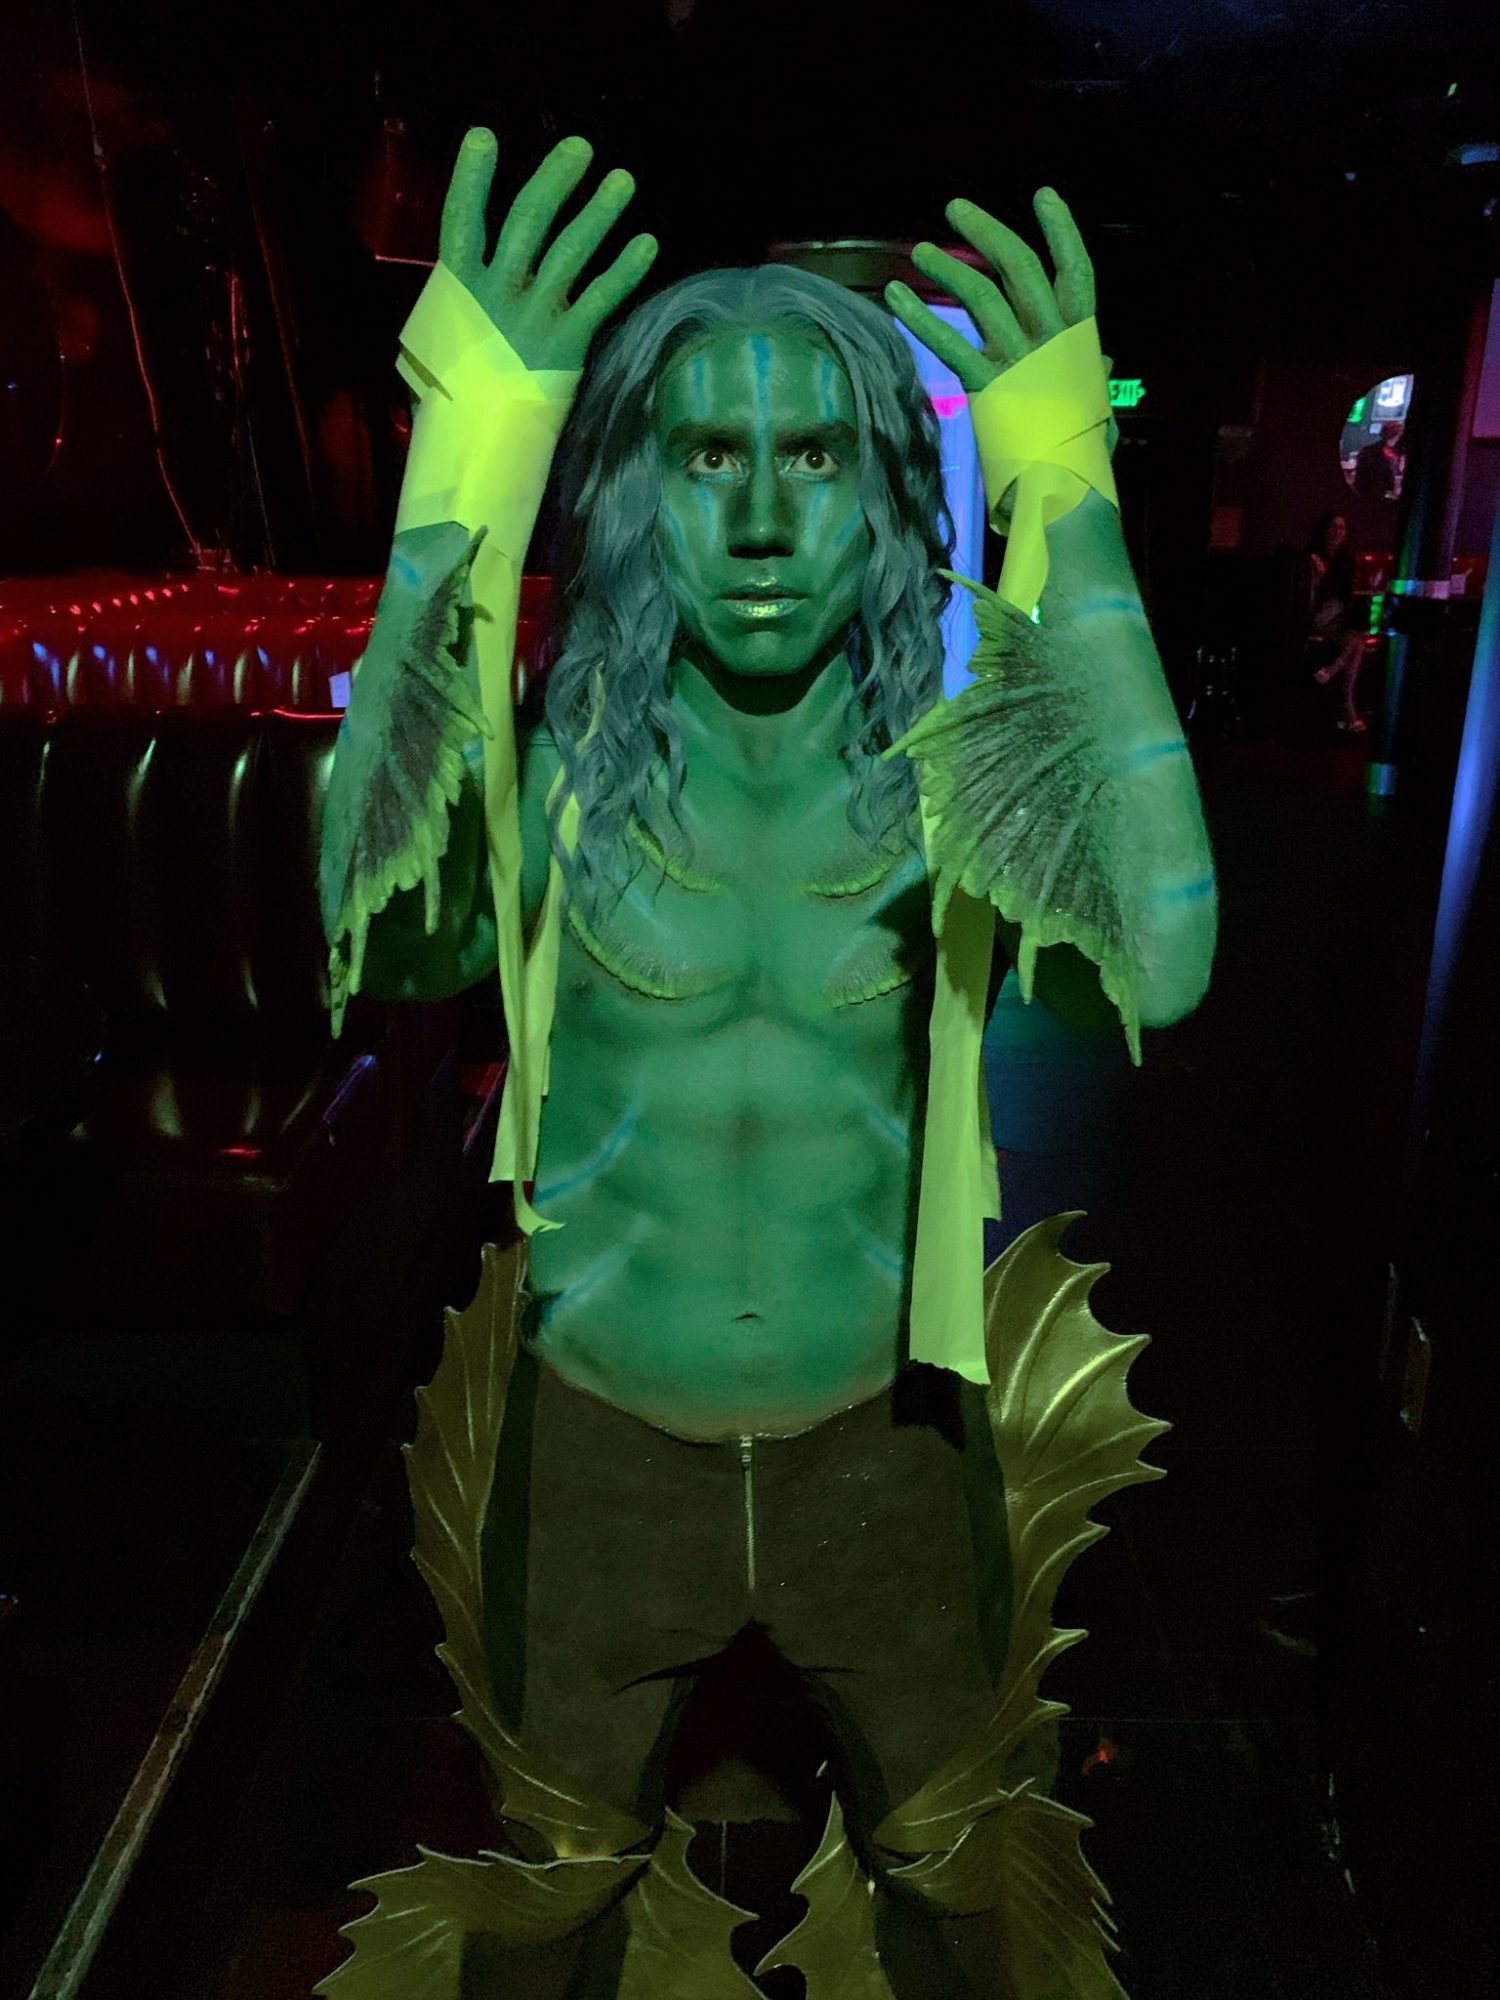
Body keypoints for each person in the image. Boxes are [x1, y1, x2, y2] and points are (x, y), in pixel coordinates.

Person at [316, 130, 1216, 1996]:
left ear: (883, 489)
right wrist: (464, 465)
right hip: (600, 1436)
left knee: (963, 1889)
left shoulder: (948, 764)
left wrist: (1066, 477)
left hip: (882, 1445)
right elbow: (380, 933)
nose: (755, 522)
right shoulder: (565, 774)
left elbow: (1170, 948)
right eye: (703, 456)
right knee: (546, 1903)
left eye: (812, 458)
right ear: (636, 486)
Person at [1306, 509, 1368, 734]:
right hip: (1320, 614)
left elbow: (1346, 594)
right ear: (1325, 530)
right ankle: (1347, 707)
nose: (1337, 532)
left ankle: (1333, 674)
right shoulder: (1313, 557)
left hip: (1338, 615)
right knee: (1357, 641)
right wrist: (1314, 564)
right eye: (1333, 527)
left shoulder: (1348, 559)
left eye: (1341, 528)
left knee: (1357, 639)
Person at [1351, 419, 1404, 504]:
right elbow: (1374, 485)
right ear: (1397, 436)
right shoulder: (1372, 454)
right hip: (1374, 498)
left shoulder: (1369, 451)